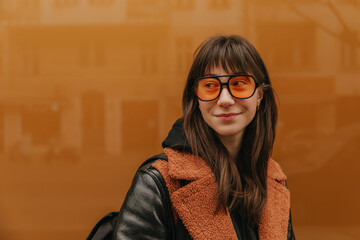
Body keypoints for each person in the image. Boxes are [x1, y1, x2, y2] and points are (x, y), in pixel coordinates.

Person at [113, 35, 295, 240]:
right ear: (196, 99)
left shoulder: (274, 180)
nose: (225, 99)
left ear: (260, 96)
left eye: (239, 84)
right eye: (210, 86)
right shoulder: (158, 182)